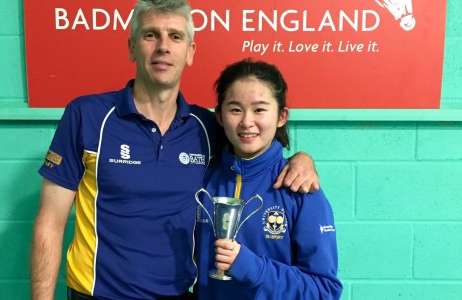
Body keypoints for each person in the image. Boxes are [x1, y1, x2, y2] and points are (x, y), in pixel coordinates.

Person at [30, 0, 319, 299]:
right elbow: (50, 221)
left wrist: (301, 159)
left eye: (176, 37)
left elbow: (254, 148)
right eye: (150, 35)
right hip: (96, 294)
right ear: (132, 47)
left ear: (190, 52)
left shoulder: (207, 127)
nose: (163, 47)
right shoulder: (86, 116)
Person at [195, 58, 342, 299]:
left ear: (282, 116)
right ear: (219, 116)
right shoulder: (202, 179)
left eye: (260, 109)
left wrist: (250, 267)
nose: (247, 122)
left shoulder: (300, 187)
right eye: (235, 109)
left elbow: (324, 290)